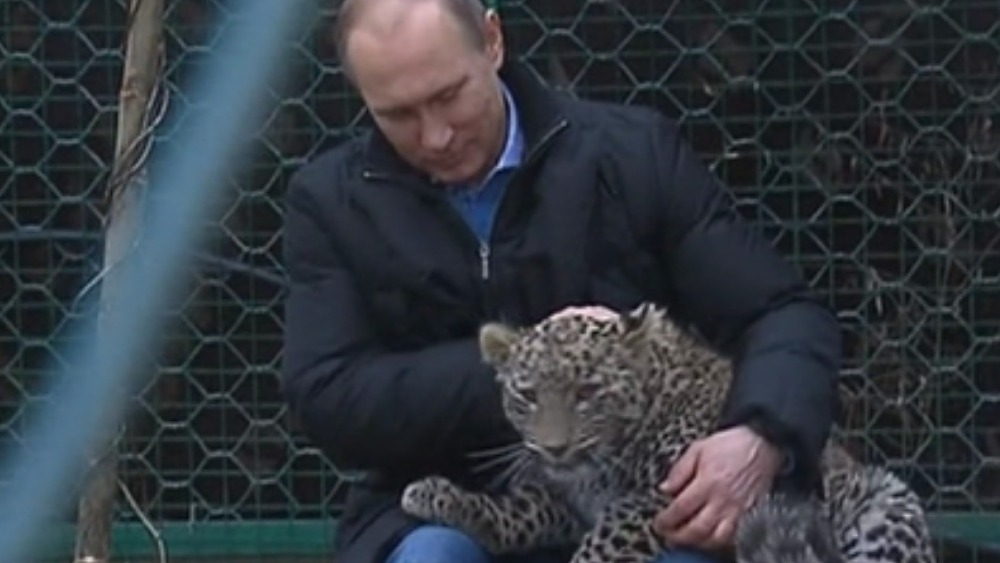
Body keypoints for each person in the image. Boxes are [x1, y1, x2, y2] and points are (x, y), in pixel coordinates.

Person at [279, 0, 843, 561]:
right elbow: (327, 395)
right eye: (398, 114)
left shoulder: (632, 154)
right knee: (431, 554)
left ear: (493, 41)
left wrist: (760, 434)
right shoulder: (330, 202)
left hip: (646, 496)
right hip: (453, 497)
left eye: (448, 95)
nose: (436, 136)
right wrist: (528, 371)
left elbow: (781, 313)